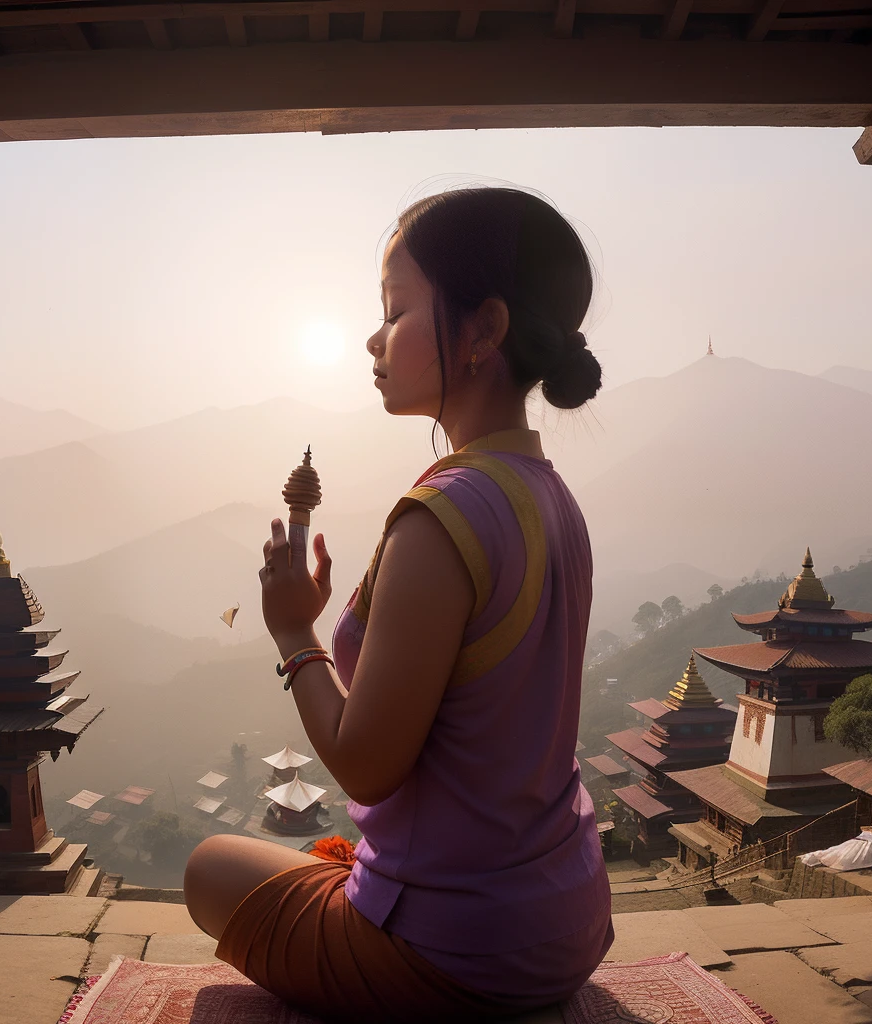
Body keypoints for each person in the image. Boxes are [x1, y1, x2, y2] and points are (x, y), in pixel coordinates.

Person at [184, 187, 612, 1021]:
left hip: (460, 950)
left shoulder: (440, 517)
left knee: (208, 868)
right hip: (566, 918)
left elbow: (365, 763)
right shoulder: (549, 495)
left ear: (482, 330)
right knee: (315, 858)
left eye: (396, 309)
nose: (374, 338)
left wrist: (294, 632)